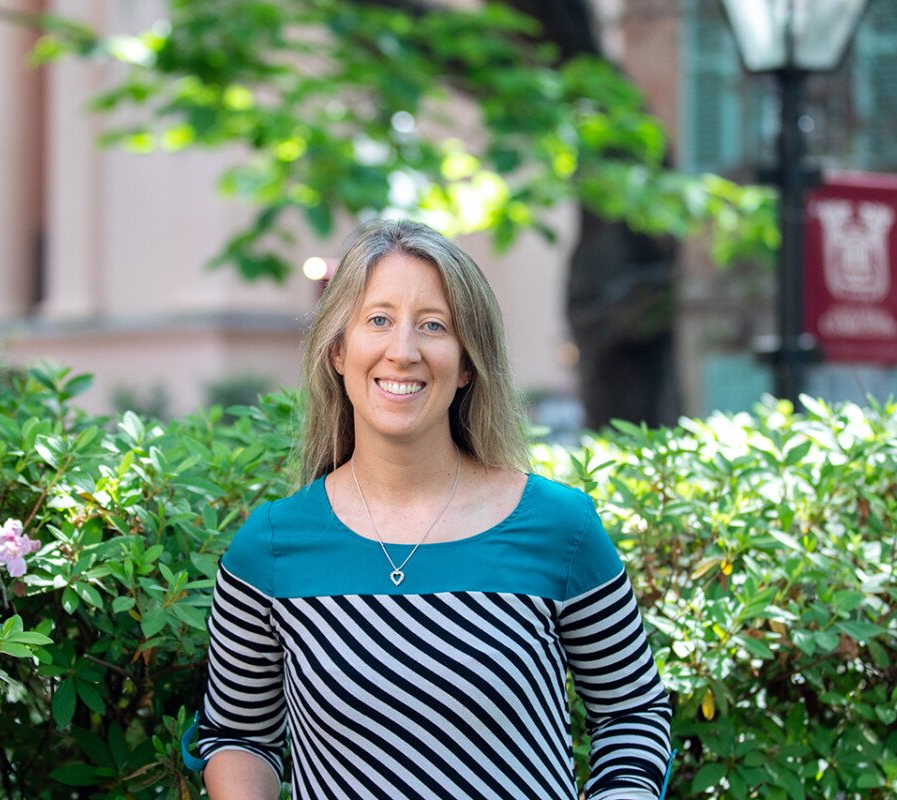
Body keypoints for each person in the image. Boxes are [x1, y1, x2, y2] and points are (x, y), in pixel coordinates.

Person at [186, 219, 673, 799]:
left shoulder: (558, 529)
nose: (403, 351)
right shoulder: (270, 547)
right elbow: (238, 735)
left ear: (468, 362)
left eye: (434, 326)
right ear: (338, 350)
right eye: (379, 320)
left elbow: (633, 712)